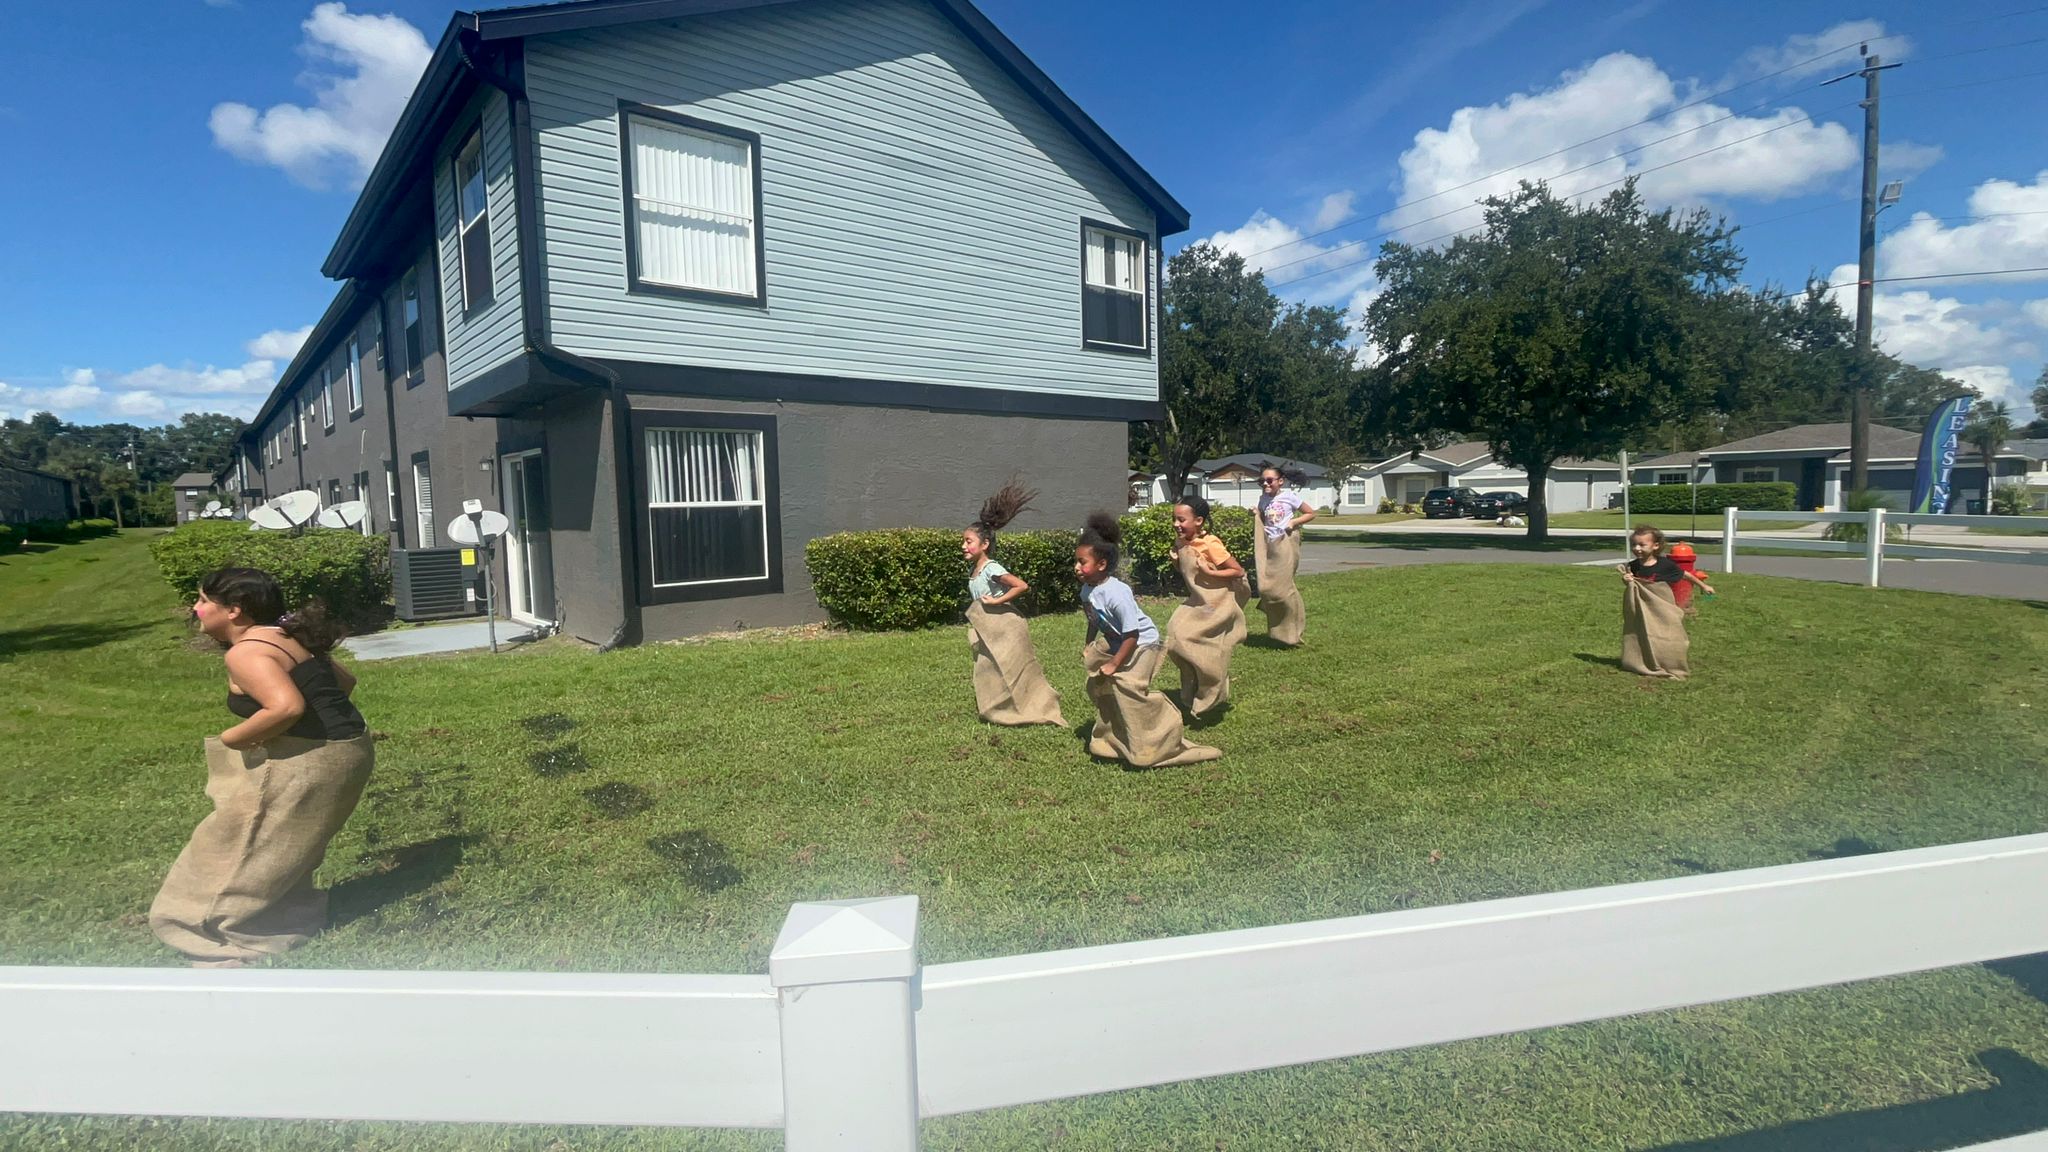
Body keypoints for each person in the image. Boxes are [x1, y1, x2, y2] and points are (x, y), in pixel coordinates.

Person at [150, 568, 375, 967]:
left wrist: (233, 738)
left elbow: (287, 707)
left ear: (234, 610)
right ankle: (282, 917)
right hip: (348, 751)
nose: (195, 609)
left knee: (237, 843)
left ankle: (213, 937)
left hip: (312, 760)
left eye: (203, 601)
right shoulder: (285, 636)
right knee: (286, 846)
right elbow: (344, 683)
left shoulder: (247, 651)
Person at [1076, 513, 1220, 767]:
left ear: (1101, 564)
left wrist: (1114, 664)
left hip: (1144, 642)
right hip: (1121, 641)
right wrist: (1090, 643)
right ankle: (1116, 736)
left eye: (1082, 562)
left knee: (1129, 686)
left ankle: (1161, 734)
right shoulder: (1087, 589)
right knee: (1102, 685)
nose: (1077, 567)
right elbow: (1094, 620)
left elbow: (1132, 634)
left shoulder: (1117, 593)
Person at [961, 483, 1065, 727]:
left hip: (1005, 627)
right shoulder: (974, 570)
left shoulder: (991, 569)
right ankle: (998, 707)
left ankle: (1033, 706)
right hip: (988, 628)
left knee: (1014, 669)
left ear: (984, 545)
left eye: (968, 541)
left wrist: (997, 600)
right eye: (963, 542)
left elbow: (1021, 585)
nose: (964, 546)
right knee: (992, 669)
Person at [1165, 496, 1249, 717]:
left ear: (1199, 521)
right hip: (1198, 601)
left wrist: (1211, 572)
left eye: (1181, 519)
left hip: (1218, 603)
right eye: (1174, 519)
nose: (1176, 524)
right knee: (1175, 640)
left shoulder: (1210, 543)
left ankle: (1210, 692)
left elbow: (1237, 571)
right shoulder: (1183, 541)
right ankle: (1193, 687)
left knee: (1189, 641)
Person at [1617, 525, 1713, 680]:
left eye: (1642, 545)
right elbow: (1632, 585)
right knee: (1641, 634)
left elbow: (1685, 575)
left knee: (1670, 634)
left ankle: (1671, 663)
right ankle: (1642, 661)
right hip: (1643, 609)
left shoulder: (1665, 565)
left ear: (1655, 546)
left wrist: (1704, 586)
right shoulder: (1633, 566)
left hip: (1662, 607)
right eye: (1634, 545)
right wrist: (1625, 579)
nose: (1637, 548)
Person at [1254, 464, 1316, 646]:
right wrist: (1256, 514)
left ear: (1280, 482)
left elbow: (1310, 513)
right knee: (1266, 587)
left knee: (1282, 588)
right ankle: (1279, 628)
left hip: (1285, 543)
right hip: (1270, 546)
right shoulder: (1263, 498)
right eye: (1262, 481)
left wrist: (1293, 522)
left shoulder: (1289, 497)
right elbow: (1265, 520)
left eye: (1269, 480)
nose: (1265, 483)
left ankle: (1292, 632)